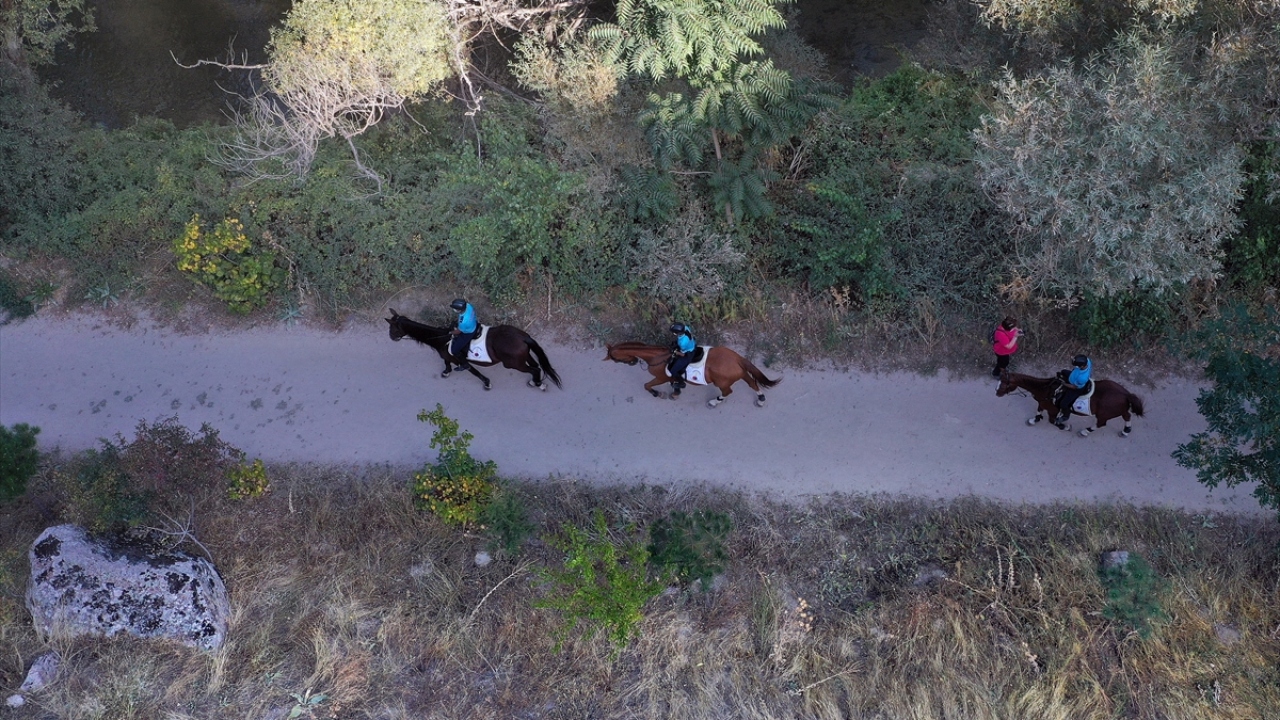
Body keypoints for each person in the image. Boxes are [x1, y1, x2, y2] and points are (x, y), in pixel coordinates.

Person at [1055, 354, 1092, 428]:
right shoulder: (1087, 361)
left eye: (1077, 366)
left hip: (1076, 388)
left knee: (1063, 404)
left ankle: (1065, 415)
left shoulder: (1082, 378)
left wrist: (1064, 384)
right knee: (1063, 371)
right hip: (1074, 376)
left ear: (1081, 366)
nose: (1075, 367)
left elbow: (1074, 387)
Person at [449, 298, 478, 370]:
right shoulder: (468, 306)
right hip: (474, 323)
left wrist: (450, 332)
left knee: (454, 350)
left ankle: (465, 364)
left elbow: (458, 331)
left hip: (468, 332)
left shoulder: (463, 321)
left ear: (459, 310)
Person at [667, 322, 697, 391]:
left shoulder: (682, 343)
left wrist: (674, 352)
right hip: (692, 343)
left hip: (688, 354)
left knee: (673, 370)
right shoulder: (686, 328)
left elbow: (682, 354)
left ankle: (681, 383)